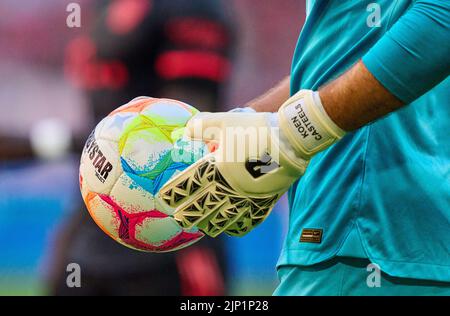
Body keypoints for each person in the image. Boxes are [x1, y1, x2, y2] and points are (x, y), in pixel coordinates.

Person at [162, 0, 450, 295]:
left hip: (367, 236)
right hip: (385, 239)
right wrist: (255, 122)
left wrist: (294, 132)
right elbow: (350, 51)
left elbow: (443, 16)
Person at [49, 0, 235, 296]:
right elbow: (102, 126)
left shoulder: (191, 9)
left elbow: (194, 126)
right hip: (94, 220)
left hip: (165, 232)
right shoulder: (105, 7)